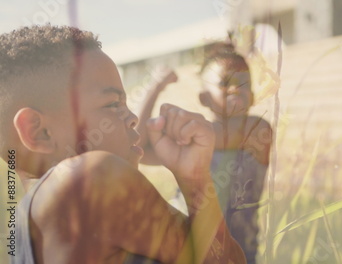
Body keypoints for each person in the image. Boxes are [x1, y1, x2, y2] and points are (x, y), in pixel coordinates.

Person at [0, 25, 245, 264]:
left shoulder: (22, 232)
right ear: (38, 132)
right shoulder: (89, 178)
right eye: (111, 104)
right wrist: (196, 180)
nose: (133, 118)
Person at [138, 42, 271, 264]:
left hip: (236, 255)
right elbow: (139, 146)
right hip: (182, 250)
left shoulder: (258, 129)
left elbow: (221, 134)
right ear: (204, 99)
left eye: (243, 83)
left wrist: (176, 133)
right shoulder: (194, 137)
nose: (235, 88)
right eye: (224, 82)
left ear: (254, 96)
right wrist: (155, 86)